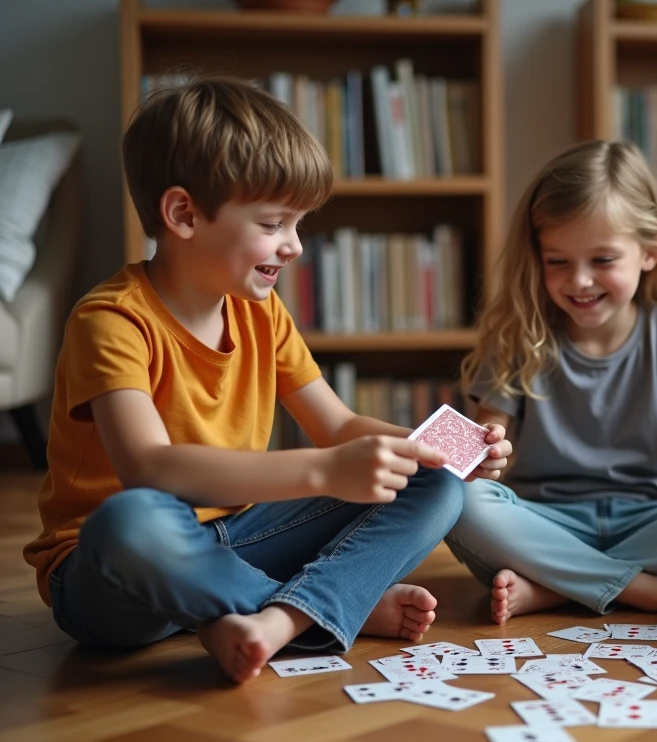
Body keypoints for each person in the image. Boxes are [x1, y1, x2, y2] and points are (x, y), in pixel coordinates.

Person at [22, 76, 511, 683]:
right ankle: (316, 606)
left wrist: (434, 451)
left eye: (298, 225)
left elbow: (336, 425)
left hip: (239, 539)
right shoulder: (111, 320)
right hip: (114, 573)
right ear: (183, 214)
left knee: (437, 488)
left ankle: (267, 618)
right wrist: (324, 471)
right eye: (275, 224)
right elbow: (151, 469)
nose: (296, 247)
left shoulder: (260, 310)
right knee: (132, 520)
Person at [445, 140, 657, 624]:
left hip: (652, 521)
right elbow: (481, 452)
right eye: (558, 262)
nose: (581, 281)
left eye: (603, 260)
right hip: (546, 526)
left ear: (651, 253)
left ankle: (556, 589)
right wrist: (479, 452)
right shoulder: (519, 335)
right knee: (456, 496)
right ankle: (647, 591)